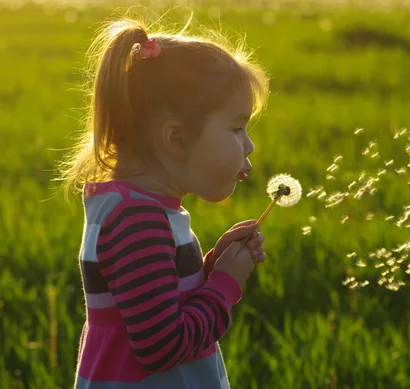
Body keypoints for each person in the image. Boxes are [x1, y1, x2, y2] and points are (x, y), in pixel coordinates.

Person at [58, 12, 270, 389]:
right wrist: (225, 285)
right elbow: (163, 347)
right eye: (236, 127)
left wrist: (206, 269)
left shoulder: (138, 209)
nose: (249, 145)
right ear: (176, 139)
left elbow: (154, 301)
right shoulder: (138, 219)